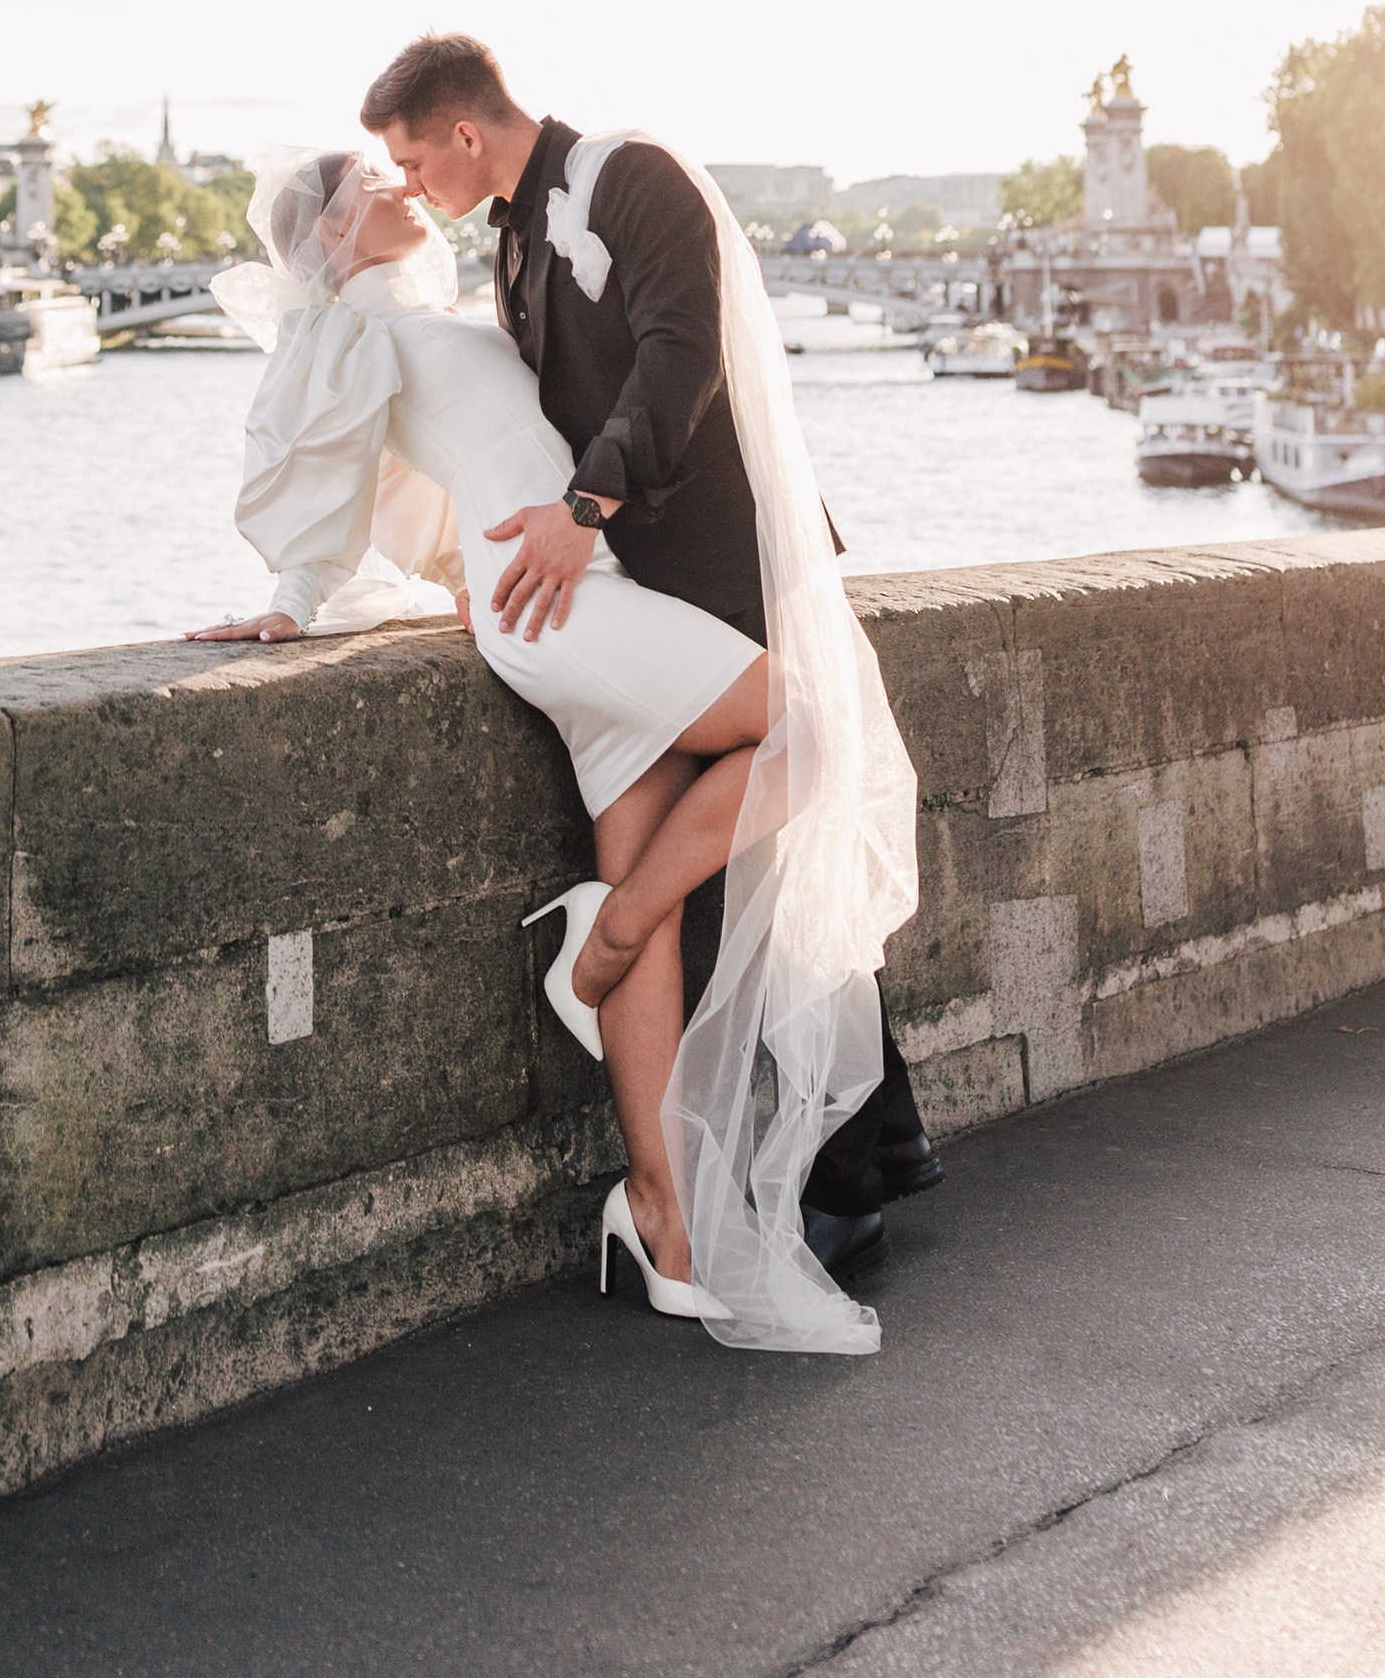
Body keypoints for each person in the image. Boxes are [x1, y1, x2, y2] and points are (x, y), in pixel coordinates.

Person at [191, 127, 917, 1352]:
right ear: (324, 235)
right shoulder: (351, 336)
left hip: (575, 596)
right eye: (367, 180)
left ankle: (663, 1223)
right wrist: (291, 602)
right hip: (564, 610)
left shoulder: (442, 313)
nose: (395, 183)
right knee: (806, 722)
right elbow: (314, 473)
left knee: (646, 859)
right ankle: (614, 928)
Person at [361, 33, 942, 1280]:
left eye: (415, 157)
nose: (413, 185)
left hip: (733, 560)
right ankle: (855, 1151)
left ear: (467, 131)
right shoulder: (512, 243)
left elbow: (683, 353)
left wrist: (584, 514)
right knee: (751, 872)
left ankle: (848, 1169)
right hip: (639, 587)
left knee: (791, 862)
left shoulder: (634, 178)